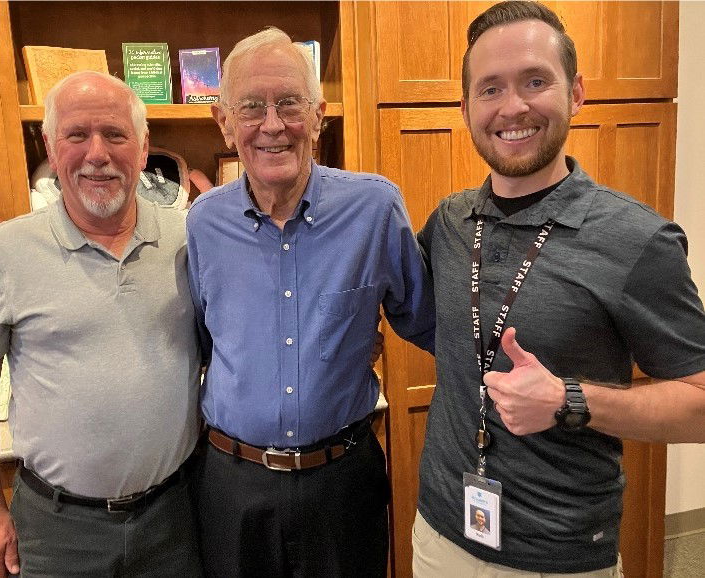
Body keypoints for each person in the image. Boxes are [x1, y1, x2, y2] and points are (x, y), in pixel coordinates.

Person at [414, 1, 705, 576]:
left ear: (576, 93)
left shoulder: (636, 240)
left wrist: (569, 401)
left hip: (560, 557)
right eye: (489, 89)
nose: (512, 107)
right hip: (441, 536)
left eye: (535, 81)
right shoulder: (449, 223)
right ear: (466, 107)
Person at [186, 27, 434, 578]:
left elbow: (429, 323)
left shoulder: (374, 209)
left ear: (319, 116)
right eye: (251, 107)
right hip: (233, 484)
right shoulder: (203, 223)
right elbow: (206, 342)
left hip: (342, 481)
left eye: (289, 104)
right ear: (224, 124)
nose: (273, 125)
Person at [0, 71, 203, 578]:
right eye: (76, 135)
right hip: (54, 531)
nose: (97, 154)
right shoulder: (3, 253)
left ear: (143, 144)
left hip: (175, 518)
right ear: (49, 143)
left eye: (114, 134)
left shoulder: (191, 239)